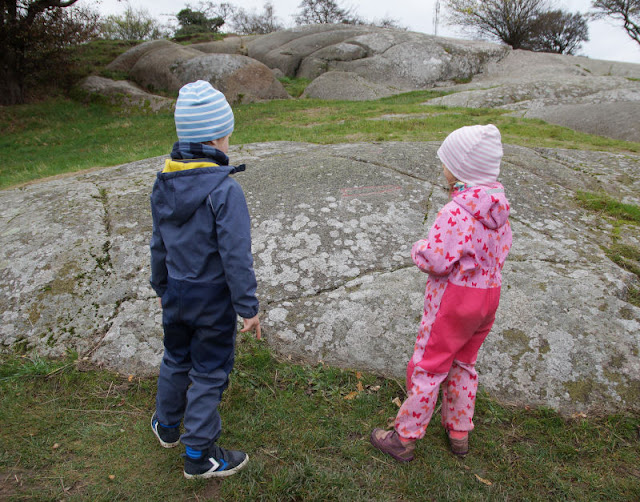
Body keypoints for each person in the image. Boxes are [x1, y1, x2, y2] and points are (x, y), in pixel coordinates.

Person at [370, 124, 512, 462]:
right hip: (488, 296)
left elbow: (436, 259)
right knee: (464, 362)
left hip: (455, 300)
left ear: (460, 171)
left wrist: (418, 248)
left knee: (429, 366)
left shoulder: (457, 211)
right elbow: (502, 250)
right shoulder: (498, 208)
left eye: (445, 162)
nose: (442, 168)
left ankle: (404, 438)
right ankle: (459, 431)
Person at [149, 80, 261, 479]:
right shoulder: (224, 190)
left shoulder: (164, 183)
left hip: (176, 292)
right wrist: (248, 307)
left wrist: (160, 286)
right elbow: (235, 255)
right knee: (210, 371)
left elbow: (158, 244)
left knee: (176, 358)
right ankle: (199, 455)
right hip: (212, 300)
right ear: (217, 139)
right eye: (228, 135)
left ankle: (166, 425)